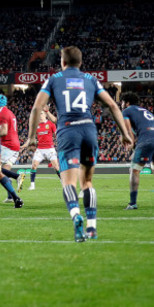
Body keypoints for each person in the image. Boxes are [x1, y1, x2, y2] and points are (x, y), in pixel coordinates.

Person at [23, 46, 132, 241]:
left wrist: (31, 137)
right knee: (87, 182)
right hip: (88, 130)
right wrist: (124, 133)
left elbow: (37, 107)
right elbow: (113, 105)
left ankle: (76, 216)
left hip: (68, 131)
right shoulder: (91, 79)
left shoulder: (54, 79)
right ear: (80, 63)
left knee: (68, 183)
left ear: (62, 62)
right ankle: (92, 228)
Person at [120, 92, 154, 210]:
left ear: (127, 102)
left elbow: (128, 131)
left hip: (147, 140)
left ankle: (133, 203)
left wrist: (131, 144)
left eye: (122, 102)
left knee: (134, 170)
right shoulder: (145, 111)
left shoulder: (127, 111)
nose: (121, 104)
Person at [0, 94, 25, 202]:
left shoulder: (2, 114)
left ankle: (17, 176)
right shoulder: (9, 112)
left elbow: (4, 131)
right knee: (5, 170)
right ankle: (11, 197)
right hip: (14, 144)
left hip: (7, 145)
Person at [27, 107, 61, 190]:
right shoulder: (36, 126)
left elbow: (57, 134)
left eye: (42, 114)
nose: (40, 116)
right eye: (39, 114)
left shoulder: (51, 124)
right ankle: (32, 185)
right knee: (34, 165)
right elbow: (32, 138)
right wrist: (27, 145)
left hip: (50, 148)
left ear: (45, 115)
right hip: (40, 149)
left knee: (56, 167)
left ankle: (63, 181)